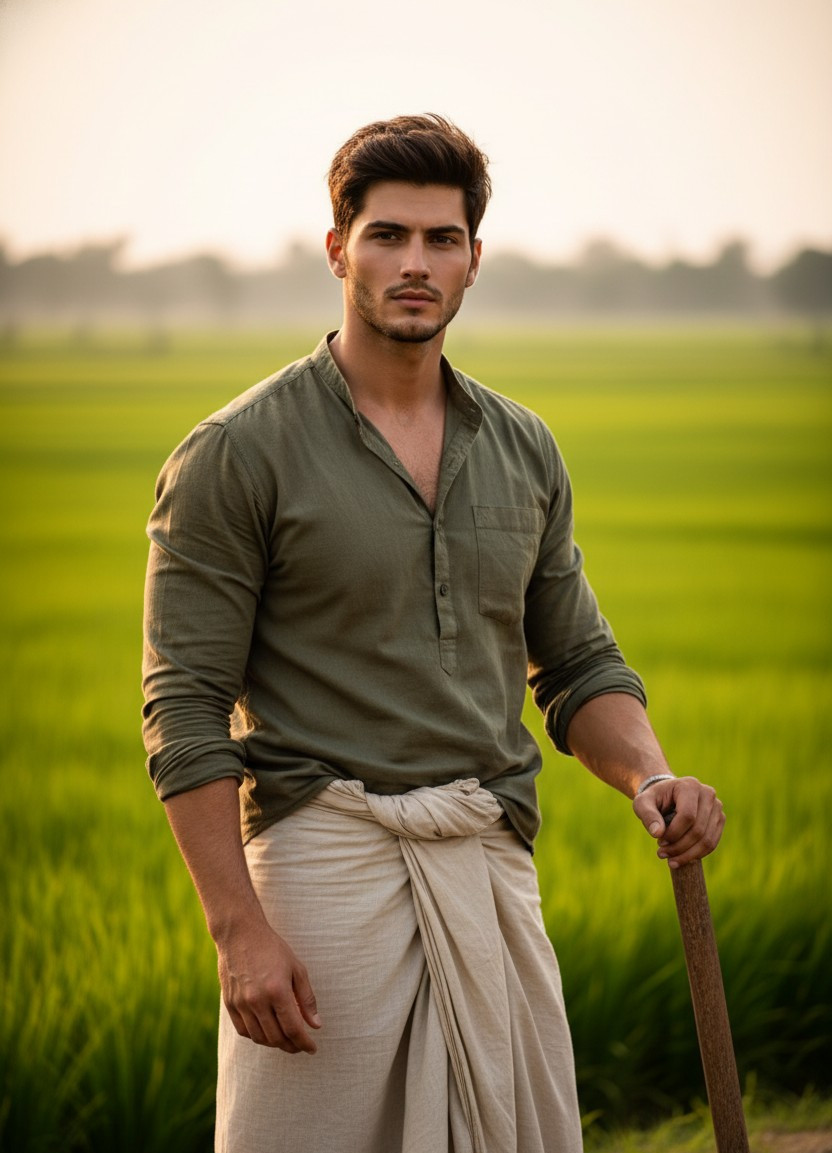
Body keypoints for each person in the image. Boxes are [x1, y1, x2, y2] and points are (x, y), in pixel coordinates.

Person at [142, 114, 725, 1153]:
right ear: (337, 249)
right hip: (324, 873)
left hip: (487, 864)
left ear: (473, 261)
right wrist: (239, 930)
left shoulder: (523, 447)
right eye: (386, 235)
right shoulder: (237, 453)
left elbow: (578, 661)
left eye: (440, 239)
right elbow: (183, 707)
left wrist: (648, 774)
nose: (415, 263)